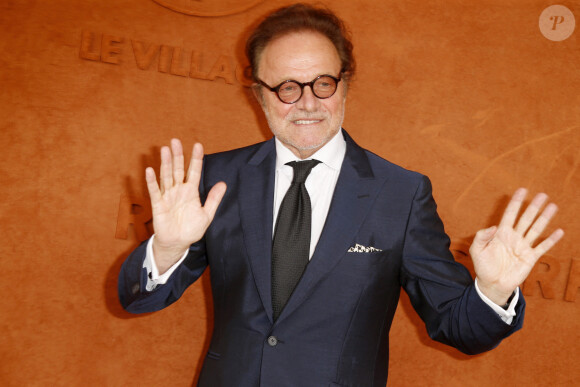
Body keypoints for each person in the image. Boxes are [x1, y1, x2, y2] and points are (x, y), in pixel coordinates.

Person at [118, 4, 564, 386]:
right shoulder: (217, 178)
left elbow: (460, 329)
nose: (308, 103)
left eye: (323, 83)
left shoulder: (401, 194)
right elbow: (138, 299)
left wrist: (492, 291)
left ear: (345, 83)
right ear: (259, 94)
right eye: (287, 88)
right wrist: (167, 247)